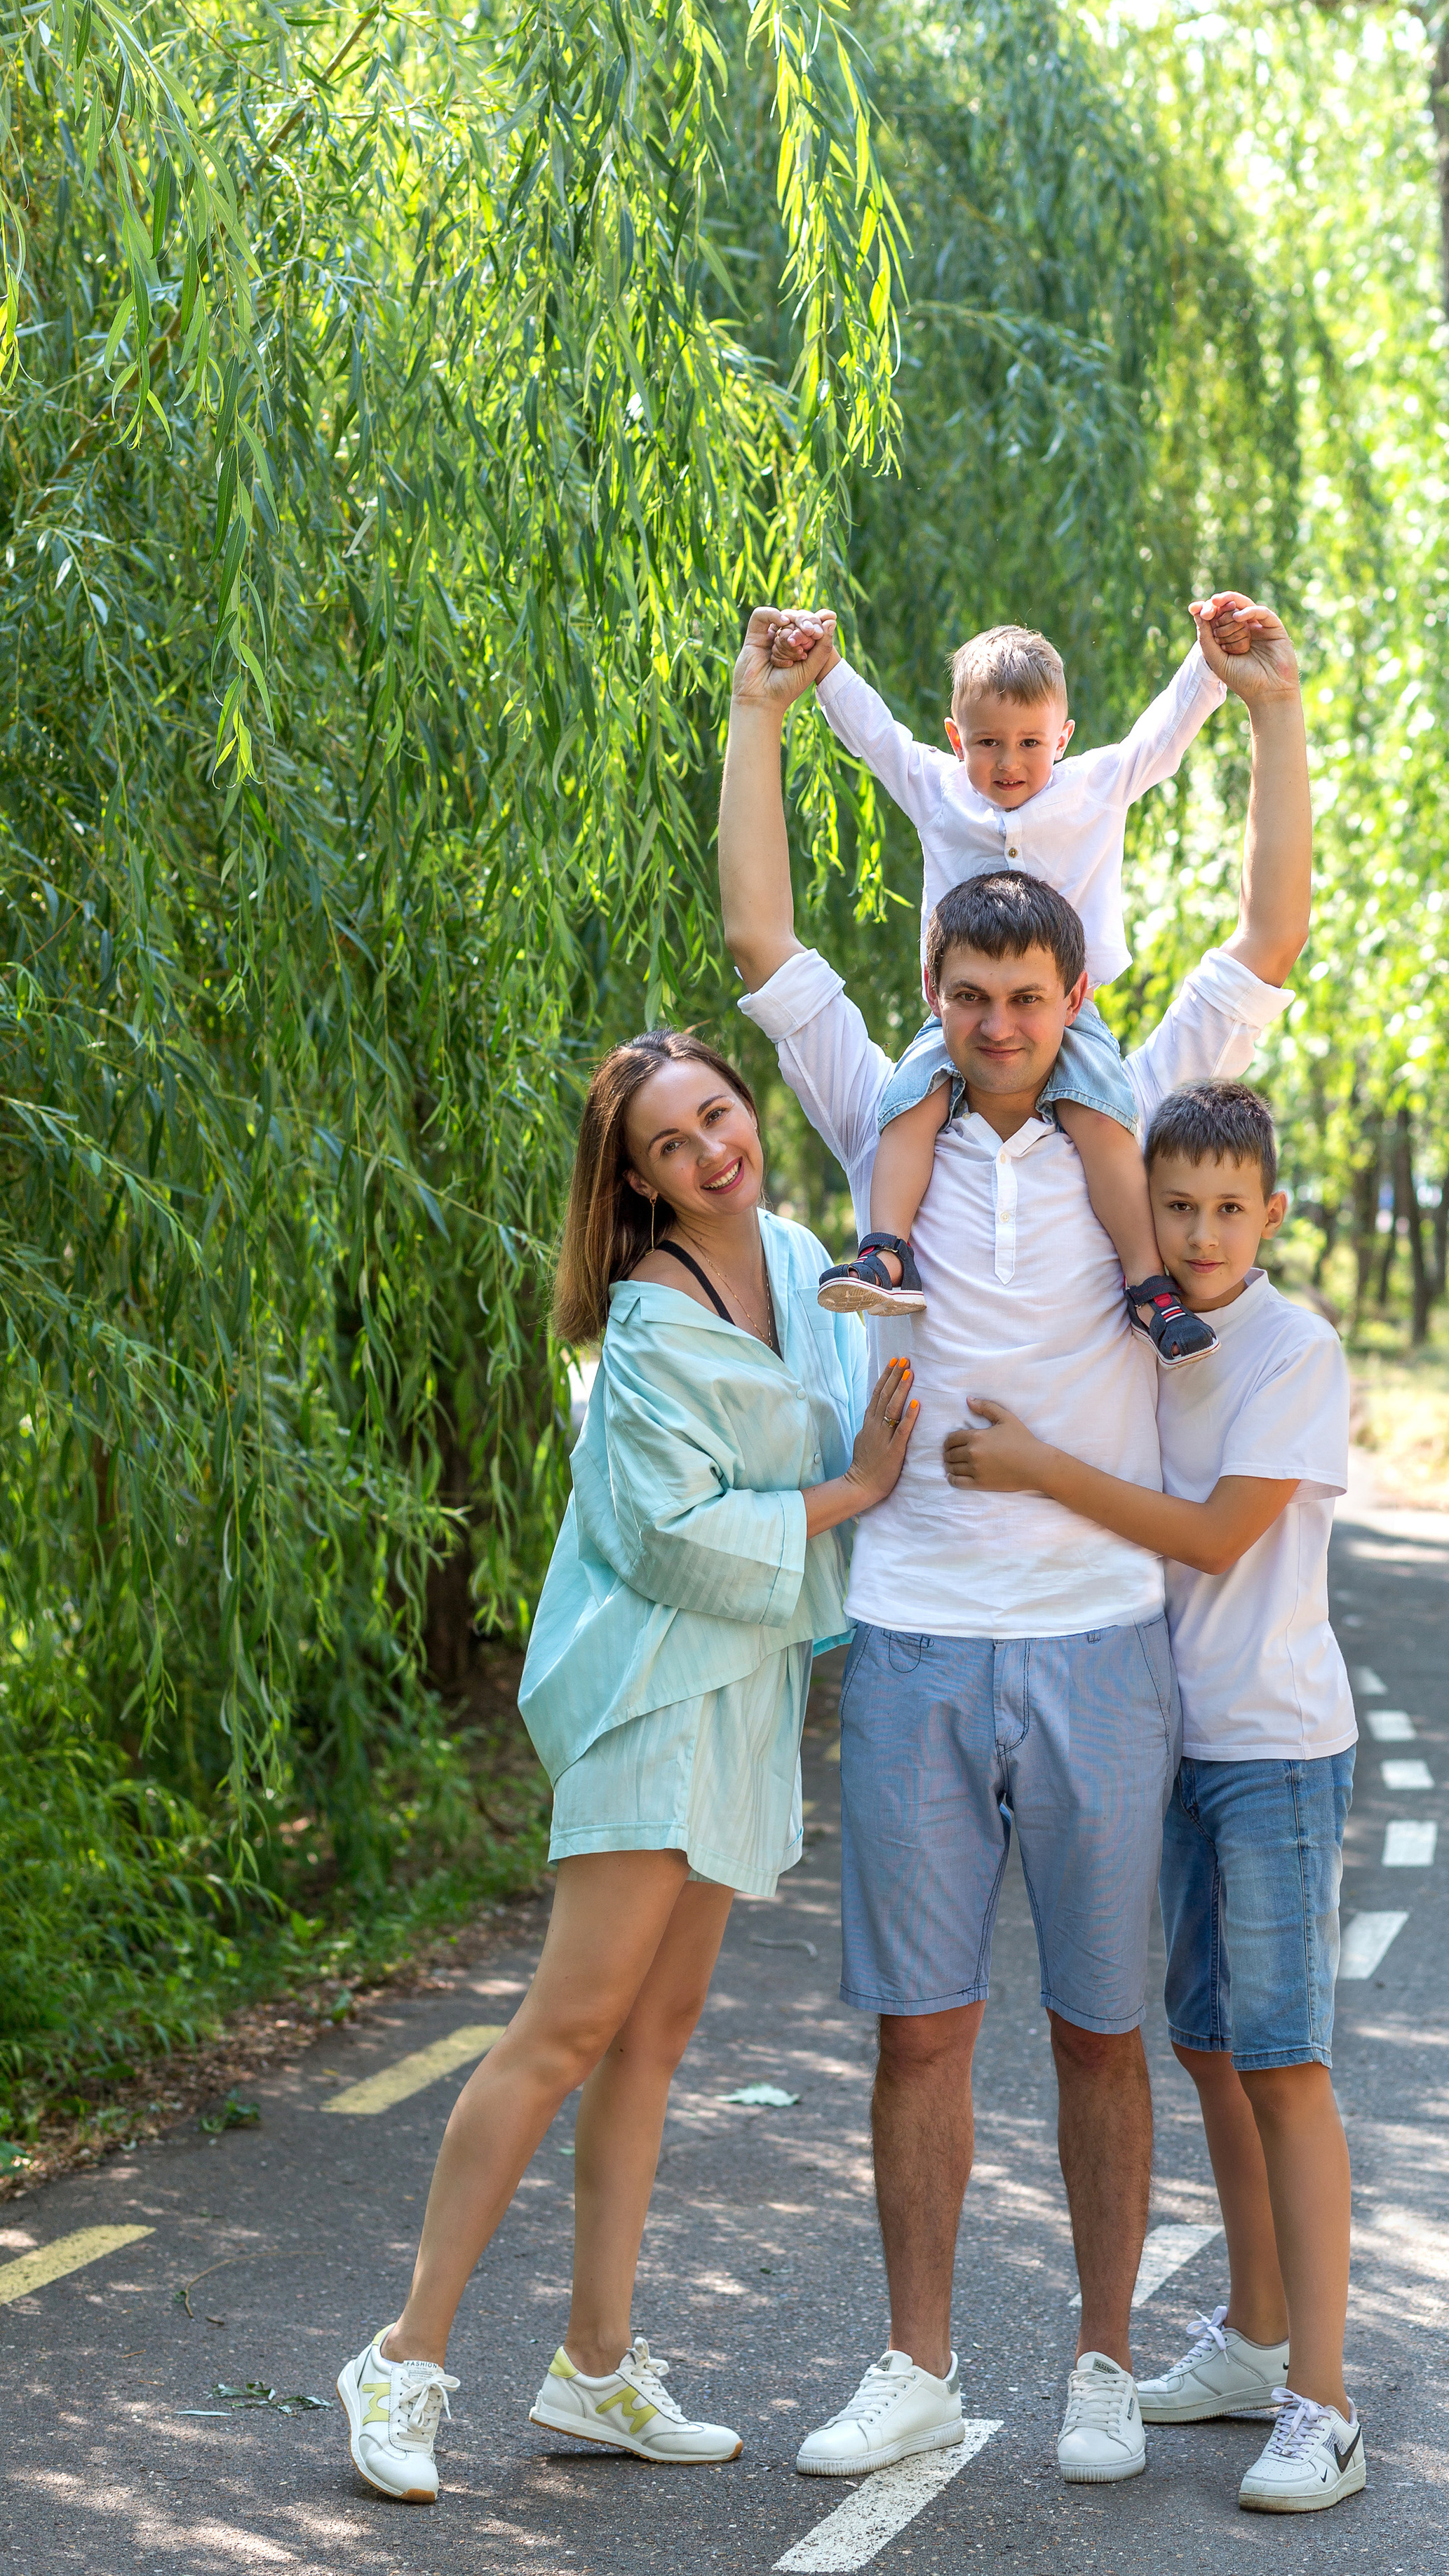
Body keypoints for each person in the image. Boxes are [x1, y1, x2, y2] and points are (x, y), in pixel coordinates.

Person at [717, 596, 1309, 2488]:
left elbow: (1270, 936)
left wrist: (1270, 711)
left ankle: (1108, 2363)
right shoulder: (879, 1106)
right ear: (940, 998)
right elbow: (762, 943)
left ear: (1071, 1004)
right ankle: (913, 2361)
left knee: (1100, 2035)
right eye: (965, 1003)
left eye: (1024, 1005)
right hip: (913, 1633)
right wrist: (760, 714)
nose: (991, 1030)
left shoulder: (1129, 1107)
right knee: (919, 2031)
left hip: (1097, 1645)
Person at [335, 1028, 919, 2503]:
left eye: (716, 1112)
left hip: (744, 1686)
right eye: (671, 1142)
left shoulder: (794, 1255)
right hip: (654, 1685)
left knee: (655, 2036)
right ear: (638, 1180)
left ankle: (595, 2369)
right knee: (565, 2027)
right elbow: (667, 1533)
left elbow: (865, 1383)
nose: (711, 1147)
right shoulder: (650, 1321)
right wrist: (852, 1490)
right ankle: (401, 2361)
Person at [942, 1078, 1363, 2515]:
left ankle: (1324, 2399)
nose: (1195, 1233)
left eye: (1225, 1210)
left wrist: (1034, 1468)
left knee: (1284, 2062)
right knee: (1206, 2052)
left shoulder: (1289, 1350)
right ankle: (1251, 2340)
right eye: (1173, 1206)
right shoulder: (1152, 1335)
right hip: (1165, 1742)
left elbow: (1205, 1535)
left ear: (1270, 1215)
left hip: (1273, 1749)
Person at [762, 602, 1251, 1363]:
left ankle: (1147, 1287)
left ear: (1064, 736)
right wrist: (824, 670)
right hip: (960, 1010)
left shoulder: (1094, 787)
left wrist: (1207, 667)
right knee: (908, 1100)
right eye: (987, 744)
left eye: (1030, 743)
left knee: (1105, 1117)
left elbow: (1162, 739)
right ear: (958, 739)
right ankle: (885, 1251)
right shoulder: (940, 790)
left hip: (1066, 1016)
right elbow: (880, 742)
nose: (1009, 764)